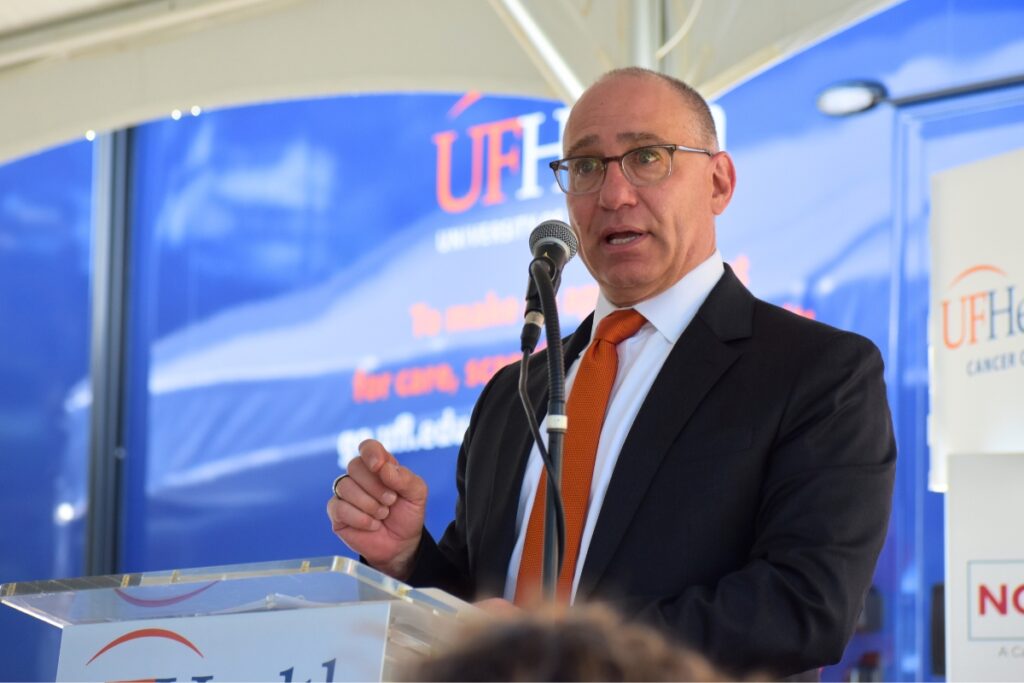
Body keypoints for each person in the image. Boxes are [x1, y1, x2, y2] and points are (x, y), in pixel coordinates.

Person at [327, 67, 896, 678]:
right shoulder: (513, 393)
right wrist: (412, 561)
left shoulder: (815, 371)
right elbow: (480, 610)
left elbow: (803, 607)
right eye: (587, 166)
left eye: (647, 157)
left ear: (719, 181)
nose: (614, 194)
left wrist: (565, 651)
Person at [403, 602, 737, 682]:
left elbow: (781, 594)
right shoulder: (508, 421)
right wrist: (410, 557)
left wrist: (572, 641)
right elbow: (475, 578)